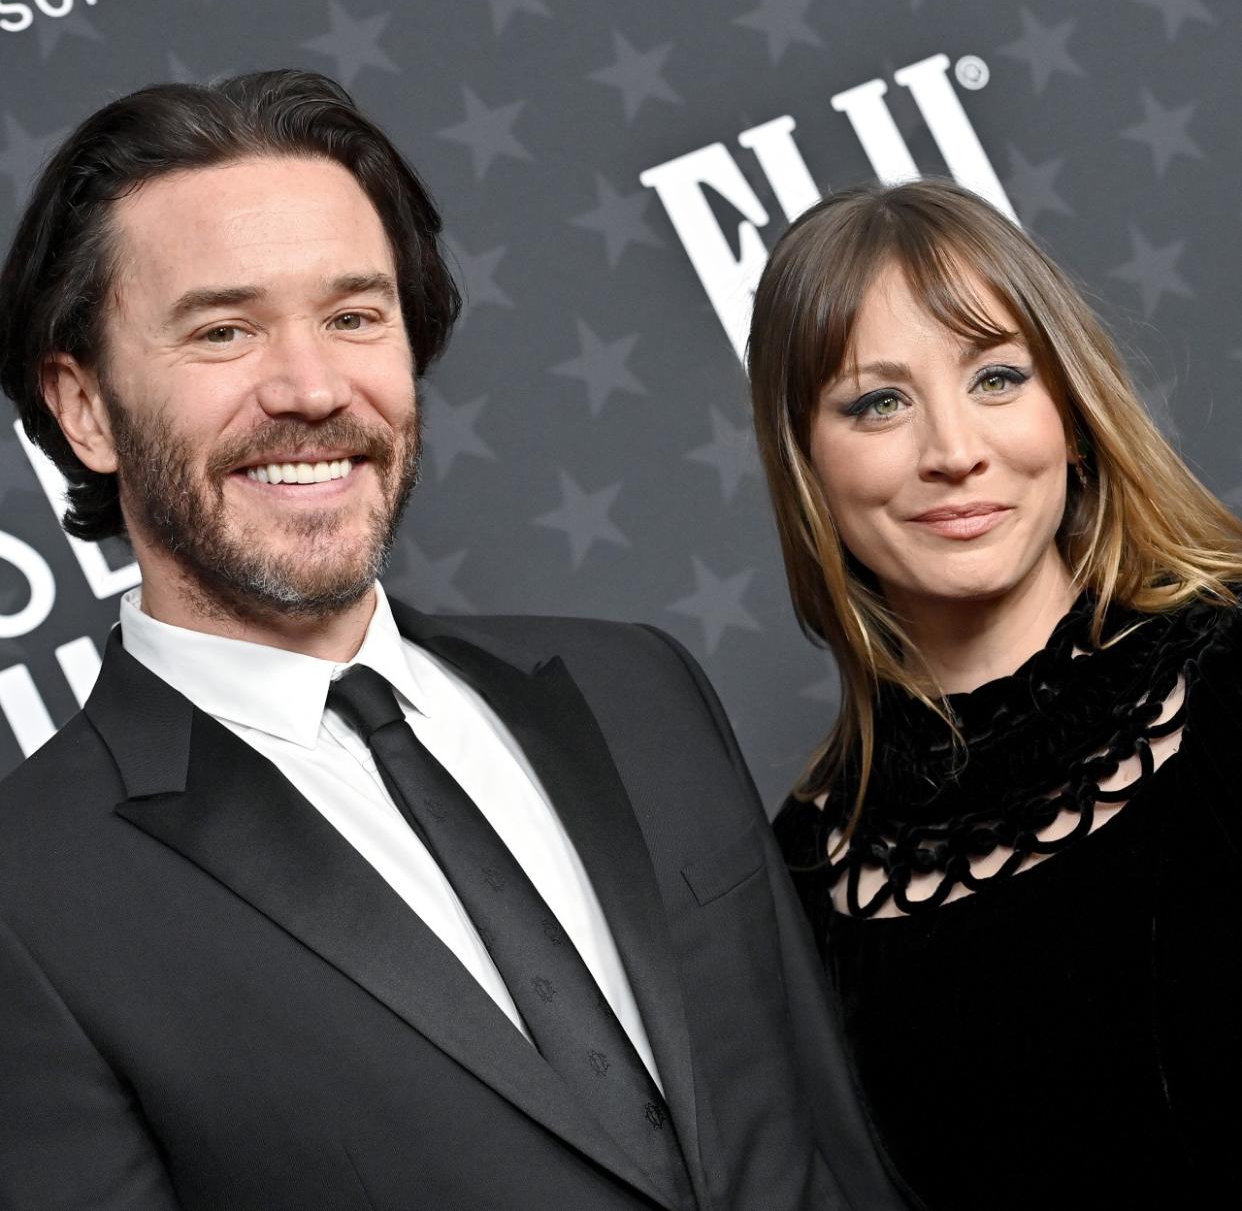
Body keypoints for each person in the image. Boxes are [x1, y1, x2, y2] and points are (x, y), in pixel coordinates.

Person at [0, 72, 907, 1211]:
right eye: (224, 330)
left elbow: (828, 1142)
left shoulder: (636, 685)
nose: (313, 386)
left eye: (354, 315)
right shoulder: (28, 900)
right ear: (84, 409)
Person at [748, 175, 1242, 1211]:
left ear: (1071, 412)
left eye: (999, 378)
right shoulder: (801, 877)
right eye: (878, 402)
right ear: (806, 467)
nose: (955, 452)